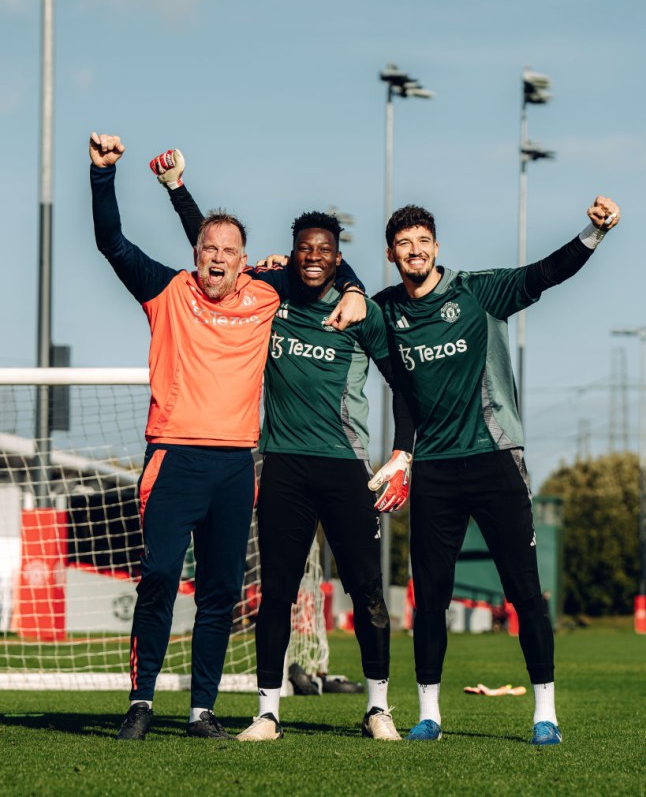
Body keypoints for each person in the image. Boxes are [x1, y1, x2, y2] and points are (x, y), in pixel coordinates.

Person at [89, 133, 365, 742]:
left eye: (230, 250)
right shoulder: (166, 291)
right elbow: (111, 242)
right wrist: (103, 175)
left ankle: (201, 711)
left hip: (238, 467)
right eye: (209, 248)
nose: (218, 258)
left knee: (220, 591)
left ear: (246, 260)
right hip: (173, 459)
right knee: (160, 578)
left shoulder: (266, 295)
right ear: (197, 253)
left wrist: (355, 288)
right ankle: (140, 703)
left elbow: (322, 258)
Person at [150, 148, 415, 741]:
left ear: (338, 258)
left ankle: (378, 708)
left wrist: (403, 452)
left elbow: (404, 384)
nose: (313, 258)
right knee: (275, 594)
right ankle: (267, 712)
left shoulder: (361, 311)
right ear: (291, 254)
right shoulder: (268, 294)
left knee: (368, 590)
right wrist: (176, 189)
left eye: (325, 251)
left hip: (348, 469)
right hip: (283, 469)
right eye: (305, 249)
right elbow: (212, 248)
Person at [373, 196, 620, 746]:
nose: (414, 251)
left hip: (495, 459)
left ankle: (545, 714)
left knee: (524, 593)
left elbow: (546, 274)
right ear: (391, 254)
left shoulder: (478, 291)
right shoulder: (385, 309)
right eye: (403, 245)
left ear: (436, 248)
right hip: (434, 470)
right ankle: (430, 715)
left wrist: (593, 232)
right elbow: (346, 316)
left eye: (422, 242)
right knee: (429, 598)